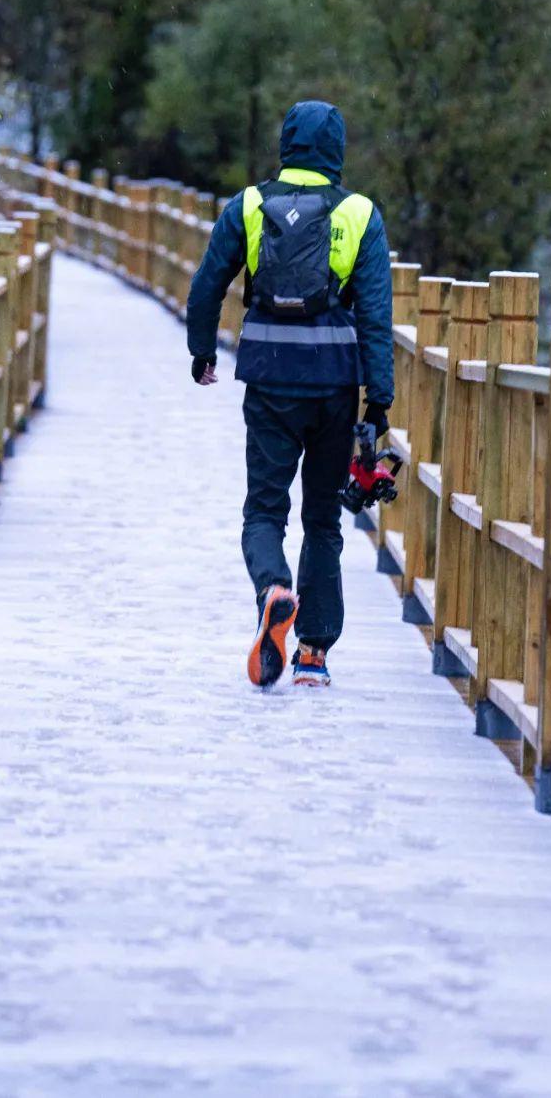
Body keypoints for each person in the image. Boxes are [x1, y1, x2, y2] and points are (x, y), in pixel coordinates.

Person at [186, 100, 394, 689]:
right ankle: (313, 655)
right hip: (334, 385)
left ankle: (273, 587)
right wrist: (378, 402)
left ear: (286, 144)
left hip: (269, 377)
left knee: (264, 507)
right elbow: (376, 316)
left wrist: (201, 350)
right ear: (337, 150)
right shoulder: (359, 213)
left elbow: (208, 285)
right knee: (324, 518)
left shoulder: (250, 204)